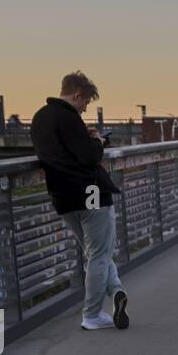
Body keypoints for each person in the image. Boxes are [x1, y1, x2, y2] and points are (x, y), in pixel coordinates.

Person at [30, 71, 127, 331]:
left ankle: (116, 290)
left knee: (95, 252)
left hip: (62, 197)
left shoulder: (39, 118)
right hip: (90, 192)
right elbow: (88, 158)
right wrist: (97, 141)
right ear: (76, 95)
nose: (85, 109)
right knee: (99, 253)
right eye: (85, 102)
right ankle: (92, 315)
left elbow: (60, 152)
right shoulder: (69, 118)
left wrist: (85, 137)